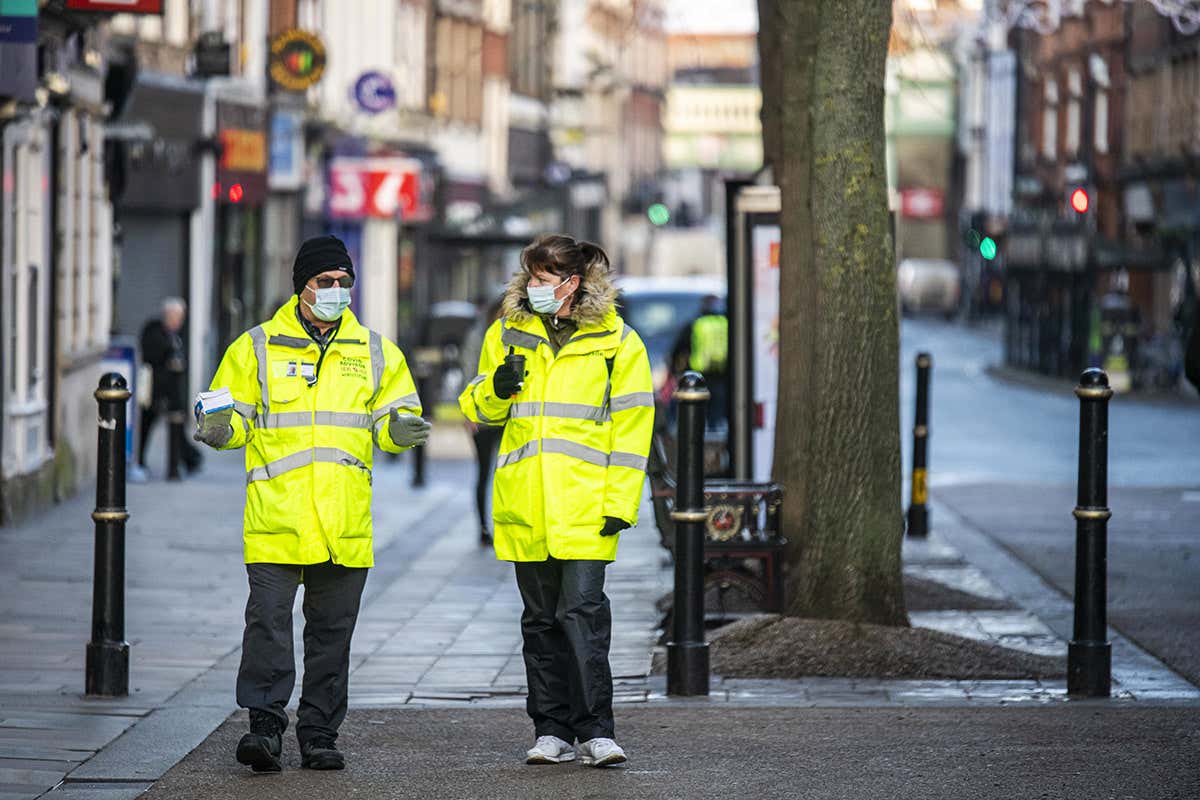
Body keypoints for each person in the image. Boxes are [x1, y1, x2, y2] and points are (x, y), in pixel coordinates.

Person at [193, 234, 430, 774]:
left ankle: (320, 734)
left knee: (331, 637)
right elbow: (233, 422)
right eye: (326, 283)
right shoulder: (255, 348)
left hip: (344, 522)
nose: (337, 292)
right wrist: (217, 429)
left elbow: (393, 424)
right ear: (302, 286)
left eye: (345, 283)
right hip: (277, 517)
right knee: (268, 627)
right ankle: (265, 729)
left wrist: (402, 430)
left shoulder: (375, 351)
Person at [458, 234, 654, 768]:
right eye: (532, 277)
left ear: (574, 284)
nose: (535, 287)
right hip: (527, 504)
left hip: (589, 507)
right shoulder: (507, 333)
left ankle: (595, 731)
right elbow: (479, 407)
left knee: (583, 616)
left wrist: (621, 502)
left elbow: (633, 429)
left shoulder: (617, 341)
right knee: (540, 622)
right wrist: (497, 387)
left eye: (546, 279)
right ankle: (551, 731)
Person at [138, 297, 202, 476]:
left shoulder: (176, 336)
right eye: (175, 317)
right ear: (167, 315)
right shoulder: (154, 331)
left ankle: (187, 460)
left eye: (181, 317)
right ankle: (138, 460)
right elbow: (152, 355)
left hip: (172, 391)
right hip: (154, 389)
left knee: (177, 428)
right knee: (146, 426)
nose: (178, 321)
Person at [461, 295, 505, 545]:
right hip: (483, 414)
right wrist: (470, 411)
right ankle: (483, 527)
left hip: (508, 415)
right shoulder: (479, 335)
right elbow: (469, 370)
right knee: (484, 472)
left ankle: (503, 523)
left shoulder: (517, 333)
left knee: (505, 472)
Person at [670, 294, 729, 430]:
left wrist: (675, 371)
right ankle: (715, 434)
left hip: (696, 376)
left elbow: (679, 348)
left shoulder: (695, 323)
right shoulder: (725, 323)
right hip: (721, 376)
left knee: (697, 414)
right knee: (717, 414)